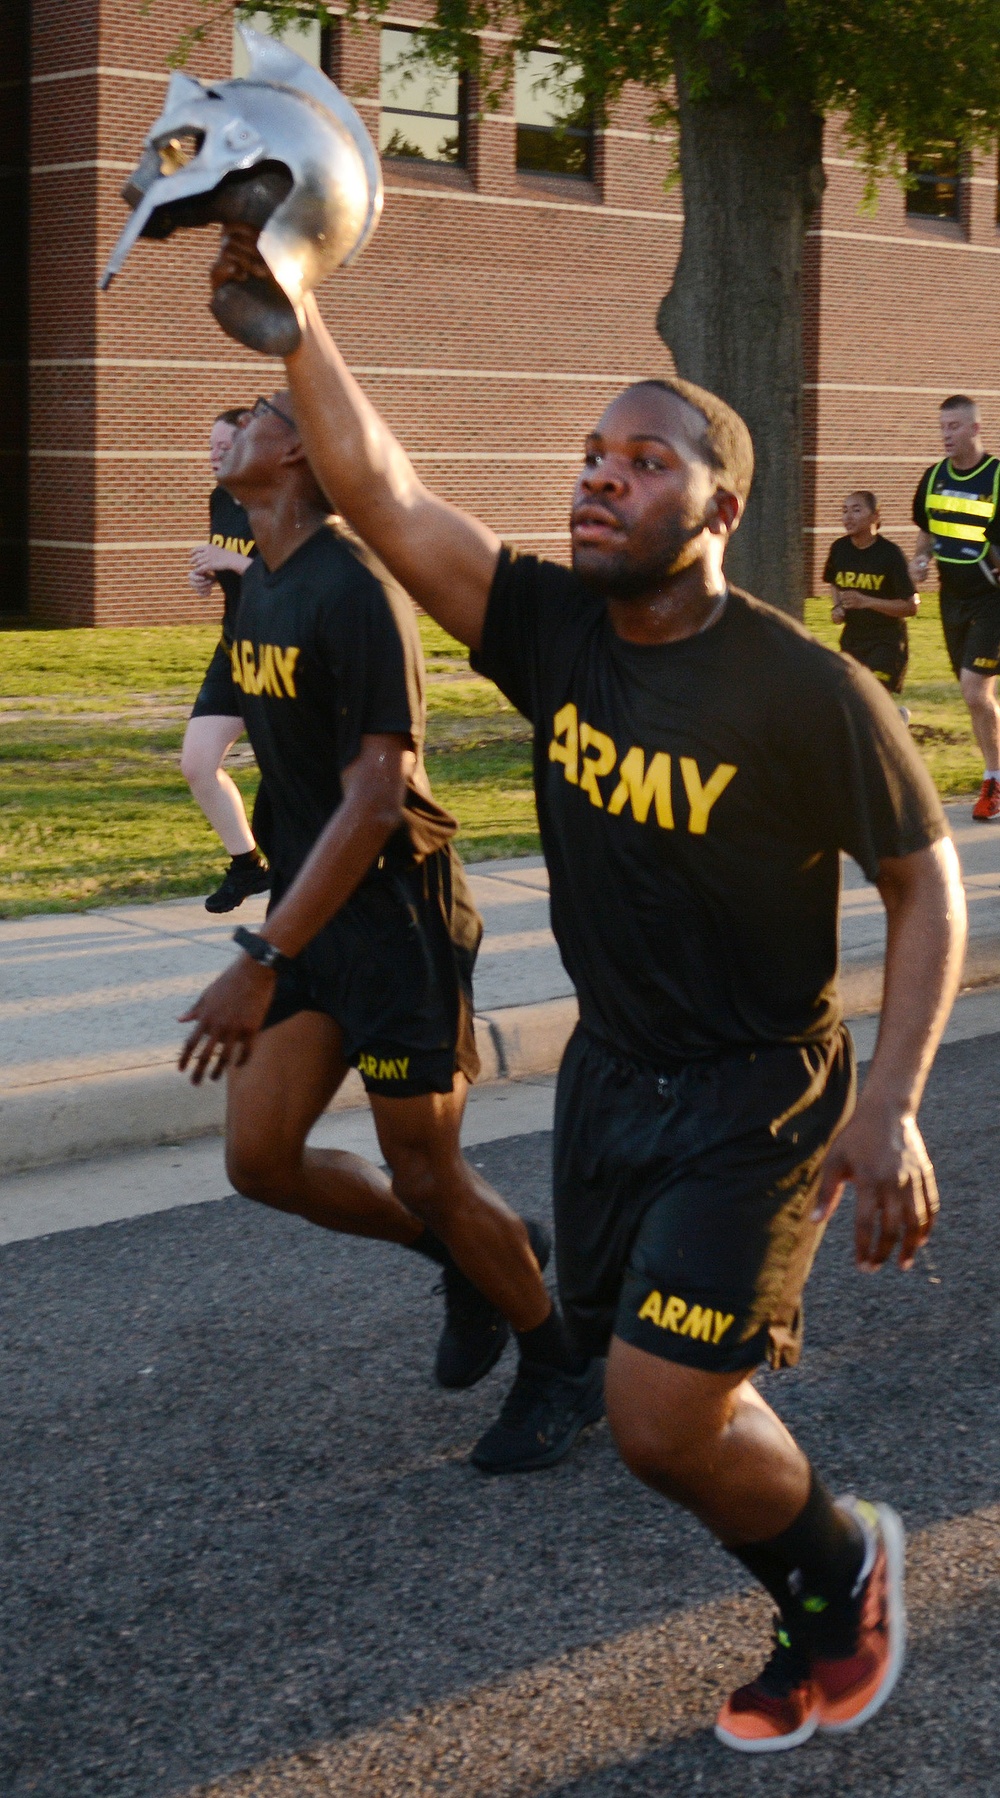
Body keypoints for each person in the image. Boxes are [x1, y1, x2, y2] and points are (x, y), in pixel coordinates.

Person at [209, 231, 968, 1751]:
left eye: (645, 458)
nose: (601, 476)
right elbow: (390, 496)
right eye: (589, 455)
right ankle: (823, 1558)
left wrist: (889, 1108)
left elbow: (923, 881)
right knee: (663, 1421)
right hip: (611, 1079)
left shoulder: (806, 687)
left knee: (654, 1411)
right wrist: (296, 318)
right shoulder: (554, 634)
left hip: (757, 1091)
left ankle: (838, 1575)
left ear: (723, 507)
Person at [177, 391, 604, 1468]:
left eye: (262, 417)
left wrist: (263, 954)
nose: (234, 428)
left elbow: (377, 797)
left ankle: (556, 1359)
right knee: (260, 1159)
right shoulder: (261, 583)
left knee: (427, 1168)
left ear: (300, 457)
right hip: (310, 915)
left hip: (398, 918)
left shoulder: (354, 588)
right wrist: (280, 931)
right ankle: (465, 1259)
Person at [181, 408, 271, 912]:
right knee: (197, 764)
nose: (214, 456)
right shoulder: (222, 498)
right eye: (210, 447)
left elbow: (302, 580)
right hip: (234, 648)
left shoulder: (283, 502)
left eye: (224, 446)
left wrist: (234, 562)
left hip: (284, 655)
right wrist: (209, 576)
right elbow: (236, 567)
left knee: (293, 773)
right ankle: (248, 864)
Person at [911, 395, 1000, 820]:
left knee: (974, 690)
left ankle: (993, 783)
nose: (946, 434)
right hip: (951, 599)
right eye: (943, 426)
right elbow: (927, 531)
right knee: (977, 699)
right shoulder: (933, 477)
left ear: (975, 429)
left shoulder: (996, 477)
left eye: (955, 426)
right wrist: (921, 560)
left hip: (991, 600)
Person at [823, 491, 918, 723]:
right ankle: (895, 720)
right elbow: (834, 582)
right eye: (844, 511)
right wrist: (838, 607)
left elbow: (910, 606)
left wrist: (867, 602)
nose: (848, 517)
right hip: (853, 640)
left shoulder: (890, 554)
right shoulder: (839, 549)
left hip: (886, 642)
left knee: (872, 696)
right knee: (851, 701)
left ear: (875, 516)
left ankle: (889, 731)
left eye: (856, 510)